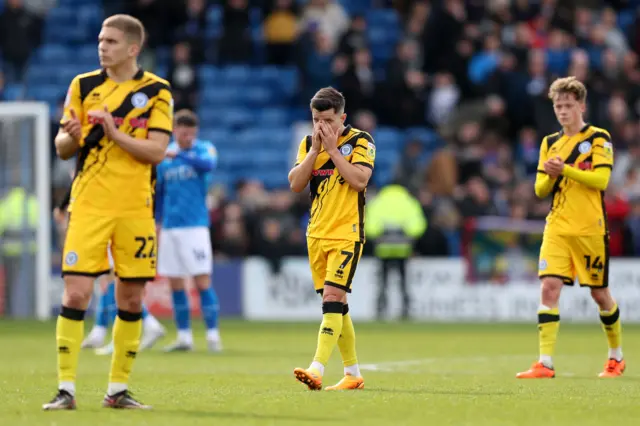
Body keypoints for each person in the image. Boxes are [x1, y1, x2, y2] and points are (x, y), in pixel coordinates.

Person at [43, 14, 174, 410]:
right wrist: (73, 136)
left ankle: (117, 390)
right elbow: (62, 147)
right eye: (101, 40)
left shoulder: (156, 91)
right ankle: (66, 389)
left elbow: (156, 151)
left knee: (131, 300)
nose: (103, 46)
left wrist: (115, 134)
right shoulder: (83, 86)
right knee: (77, 292)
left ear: (133, 49)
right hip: (89, 205)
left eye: (112, 41)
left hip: (135, 207)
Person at [516, 76, 624, 379]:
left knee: (600, 295)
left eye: (567, 105)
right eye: (557, 106)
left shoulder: (599, 138)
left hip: (590, 227)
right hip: (558, 227)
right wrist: (551, 174)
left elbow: (601, 181)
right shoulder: (550, 143)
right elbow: (539, 189)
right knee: (549, 287)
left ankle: (616, 356)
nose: (562, 111)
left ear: (581, 105)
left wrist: (565, 169)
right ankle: (545, 362)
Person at [288, 87, 376, 391]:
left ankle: (317, 368)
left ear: (343, 117)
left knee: (332, 299)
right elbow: (296, 184)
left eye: (327, 120)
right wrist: (315, 150)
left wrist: (334, 151)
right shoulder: (309, 143)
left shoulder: (360, 141)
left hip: (346, 234)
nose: (321, 127)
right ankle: (353, 373)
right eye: (316, 119)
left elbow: (359, 180)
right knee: (338, 306)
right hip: (317, 234)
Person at [54, 183, 166, 355]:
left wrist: (62, 207)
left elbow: (81, 179)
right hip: (115, 216)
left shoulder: (104, 166)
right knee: (108, 280)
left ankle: (123, 335)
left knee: (114, 280)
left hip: (109, 217)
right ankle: (102, 329)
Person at [155, 109, 222, 353]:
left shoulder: (204, 149)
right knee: (175, 283)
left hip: (195, 227)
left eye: (191, 133)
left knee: (201, 280)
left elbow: (209, 164)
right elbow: (160, 193)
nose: (187, 137)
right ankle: (184, 337)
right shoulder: (165, 157)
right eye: (183, 133)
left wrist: (181, 154)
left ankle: (213, 336)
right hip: (171, 227)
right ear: (175, 131)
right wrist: (158, 221)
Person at [365, 182, 427, 319]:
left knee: (382, 282)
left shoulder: (377, 201)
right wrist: (407, 234)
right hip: (403, 249)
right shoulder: (410, 202)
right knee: (404, 282)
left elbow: (369, 227)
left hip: (383, 249)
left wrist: (381, 234)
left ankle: (381, 309)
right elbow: (418, 226)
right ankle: (405, 310)